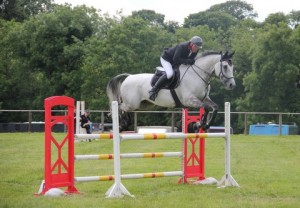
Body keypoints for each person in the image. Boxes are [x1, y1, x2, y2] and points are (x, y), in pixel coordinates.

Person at [148, 36, 203, 101]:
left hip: (177, 61)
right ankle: (153, 90)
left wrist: (190, 61)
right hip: (167, 59)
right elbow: (175, 59)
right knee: (170, 74)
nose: (196, 49)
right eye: (196, 47)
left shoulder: (195, 49)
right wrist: (187, 61)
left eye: (198, 48)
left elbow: (190, 59)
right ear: (191, 44)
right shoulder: (182, 46)